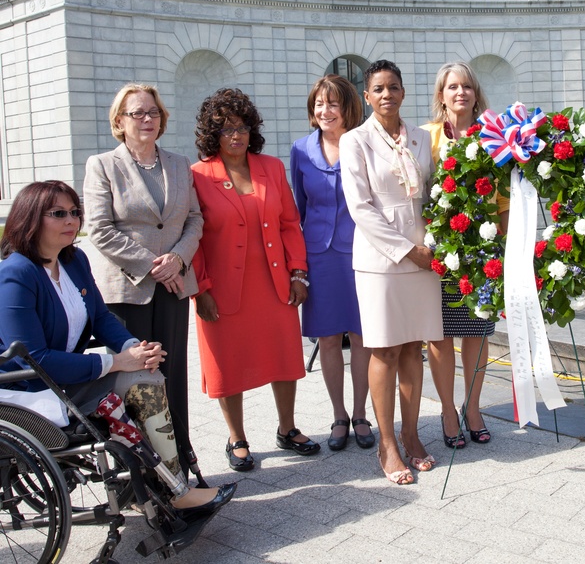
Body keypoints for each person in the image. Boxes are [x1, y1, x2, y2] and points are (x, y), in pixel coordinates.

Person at [0, 180, 235, 519]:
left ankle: (168, 486)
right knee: (135, 380)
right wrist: (114, 362)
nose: (72, 220)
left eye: (75, 212)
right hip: (30, 390)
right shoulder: (16, 274)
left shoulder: (73, 260)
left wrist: (133, 347)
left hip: (66, 378)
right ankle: (174, 490)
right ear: (31, 218)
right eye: (59, 213)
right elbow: (35, 360)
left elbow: (98, 316)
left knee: (146, 374)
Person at [191, 88, 320, 472]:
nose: (236, 135)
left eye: (242, 127)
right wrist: (201, 289)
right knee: (226, 364)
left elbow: (289, 224)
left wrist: (299, 272)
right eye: (226, 128)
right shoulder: (197, 176)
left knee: (283, 355)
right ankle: (237, 438)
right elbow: (192, 239)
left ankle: (287, 428)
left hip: (273, 281)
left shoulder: (271, 167)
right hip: (222, 289)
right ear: (213, 134)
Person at [83, 83, 204, 480]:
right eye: (137, 113)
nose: (147, 119)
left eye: (153, 112)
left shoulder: (178, 162)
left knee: (171, 377)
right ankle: (143, 475)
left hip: (173, 288)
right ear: (120, 121)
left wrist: (179, 259)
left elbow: (194, 220)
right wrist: (156, 265)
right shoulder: (102, 165)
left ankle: (181, 464)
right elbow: (99, 230)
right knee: (136, 381)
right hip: (127, 290)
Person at [341, 60, 443, 485]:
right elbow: (361, 207)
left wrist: (431, 246)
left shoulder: (421, 137)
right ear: (367, 97)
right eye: (378, 89)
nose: (387, 95)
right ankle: (386, 443)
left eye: (394, 87)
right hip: (382, 261)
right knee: (384, 349)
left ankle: (411, 433)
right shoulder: (355, 140)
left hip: (425, 256)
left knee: (412, 348)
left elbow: (439, 193)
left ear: (404, 92)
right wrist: (407, 250)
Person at [421, 62, 505, 449]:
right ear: (441, 94)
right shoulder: (425, 137)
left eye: (467, 86)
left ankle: (473, 407)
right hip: (439, 251)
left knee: (476, 332)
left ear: (476, 92)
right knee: (439, 335)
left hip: (482, 249)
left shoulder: (493, 137)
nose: (460, 93)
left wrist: (505, 247)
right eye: (452, 86)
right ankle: (448, 410)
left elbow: (502, 201)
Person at [290, 75, 375, 452]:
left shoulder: (363, 143)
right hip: (318, 255)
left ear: (348, 108)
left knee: (361, 336)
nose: (325, 111)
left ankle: (360, 414)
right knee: (326, 337)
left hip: (360, 251)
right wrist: (298, 266)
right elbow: (298, 210)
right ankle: (338, 415)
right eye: (319, 104)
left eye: (333, 103)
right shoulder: (300, 149)